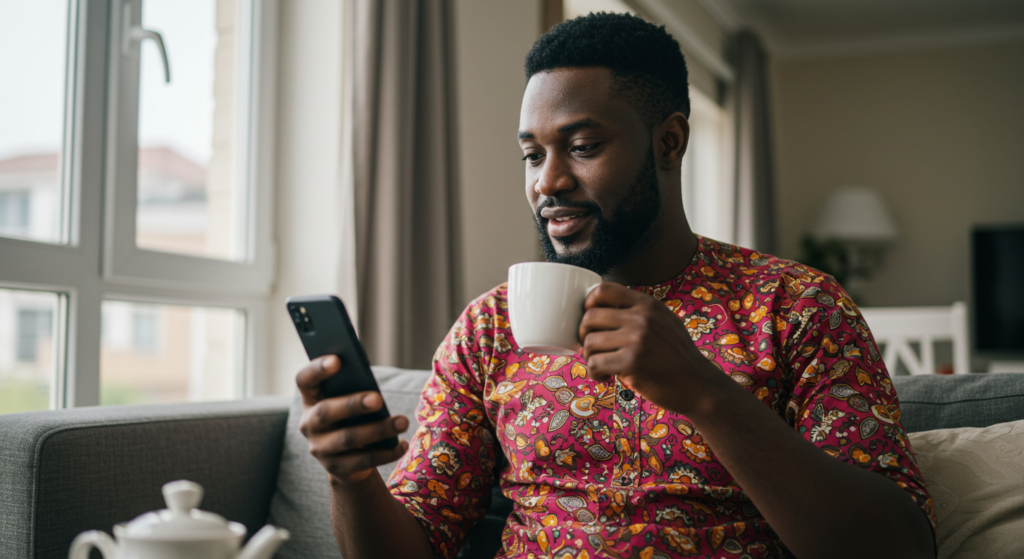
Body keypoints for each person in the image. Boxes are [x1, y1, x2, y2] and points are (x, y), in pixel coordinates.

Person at [295, 12, 936, 559]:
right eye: (532, 155)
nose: (547, 182)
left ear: (669, 142)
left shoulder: (795, 306)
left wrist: (704, 393)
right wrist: (350, 477)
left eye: (581, 145)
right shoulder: (489, 329)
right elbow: (418, 543)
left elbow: (898, 546)